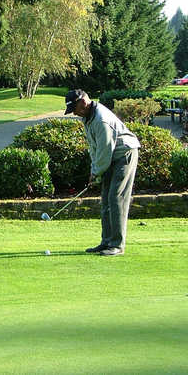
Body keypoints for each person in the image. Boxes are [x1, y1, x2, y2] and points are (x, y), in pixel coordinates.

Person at [64, 89, 140, 256]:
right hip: (111, 157)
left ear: (82, 103)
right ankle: (106, 241)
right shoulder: (87, 118)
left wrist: (96, 172)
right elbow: (94, 148)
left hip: (124, 154)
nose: (74, 114)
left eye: (74, 109)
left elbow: (105, 151)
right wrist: (94, 170)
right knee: (105, 198)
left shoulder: (101, 120)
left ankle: (117, 245)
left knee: (116, 197)